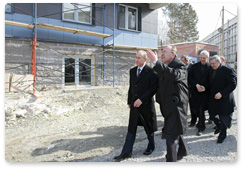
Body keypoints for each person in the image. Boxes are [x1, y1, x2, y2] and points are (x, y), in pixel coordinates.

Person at [114, 50, 159, 162]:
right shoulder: (132, 71)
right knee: (131, 128)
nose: (136, 59)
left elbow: (153, 89)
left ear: (145, 59)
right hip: (134, 105)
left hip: (146, 105)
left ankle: (151, 146)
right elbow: (131, 87)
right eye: (136, 57)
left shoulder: (151, 72)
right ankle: (126, 152)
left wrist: (142, 99)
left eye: (139, 57)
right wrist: (129, 101)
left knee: (149, 127)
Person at [146, 46, 188, 162]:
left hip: (176, 107)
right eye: (161, 52)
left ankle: (171, 161)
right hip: (166, 106)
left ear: (173, 54)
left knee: (170, 136)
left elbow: (174, 75)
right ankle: (183, 151)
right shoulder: (165, 67)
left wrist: (156, 62)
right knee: (174, 130)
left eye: (164, 52)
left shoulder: (180, 66)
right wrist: (153, 65)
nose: (162, 54)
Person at [208, 55, 237, 143]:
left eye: (213, 63)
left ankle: (222, 135)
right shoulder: (210, 70)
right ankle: (219, 127)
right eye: (211, 64)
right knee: (212, 115)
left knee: (223, 117)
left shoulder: (228, 70)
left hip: (224, 99)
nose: (212, 65)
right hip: (213, 98)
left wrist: (222, 93)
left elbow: (233, 84)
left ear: (219, 62)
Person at [188, 50, 210, 136]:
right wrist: (196, 85)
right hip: (195, 91)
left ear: (207, 58)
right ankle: (199, 122)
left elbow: (211, 80)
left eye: (204, 58)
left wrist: (205, 87)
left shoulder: (210, 67)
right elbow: (190, 78)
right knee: (195, 109)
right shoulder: (194, 67)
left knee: (201, 110)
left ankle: (201, 127)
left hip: (205, 93)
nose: (202, 59)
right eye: (201, 58)